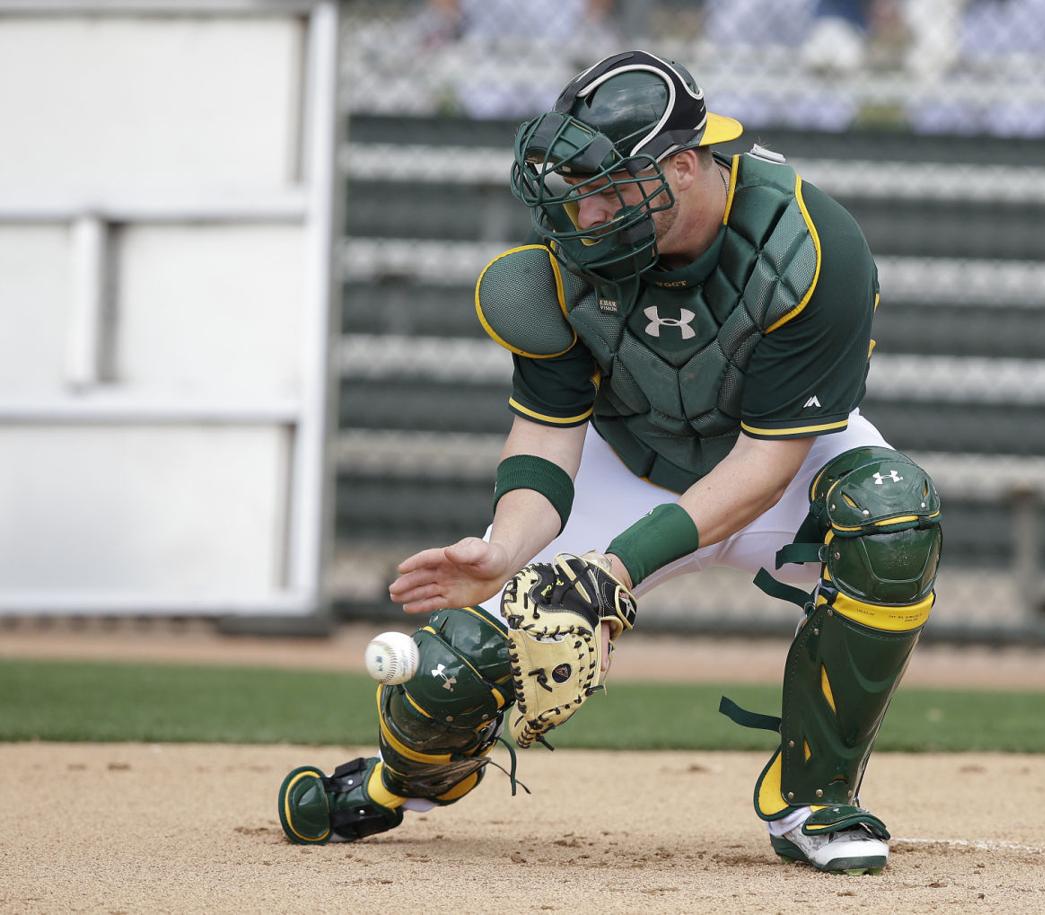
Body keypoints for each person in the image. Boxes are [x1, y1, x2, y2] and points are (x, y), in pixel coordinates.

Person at [278, 49, 943, 876]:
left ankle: (815, 797)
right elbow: (549, 431)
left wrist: (614, 571)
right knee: (453, 670)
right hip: (626, 458)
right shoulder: (570, 246)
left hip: (770, 464)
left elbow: (767, 465)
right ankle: (395, 780)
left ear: (687, 166)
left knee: (891, 513)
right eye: (577, 185)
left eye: (610, 186)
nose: (585, 210)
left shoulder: (809, 245)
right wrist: (507, 549)